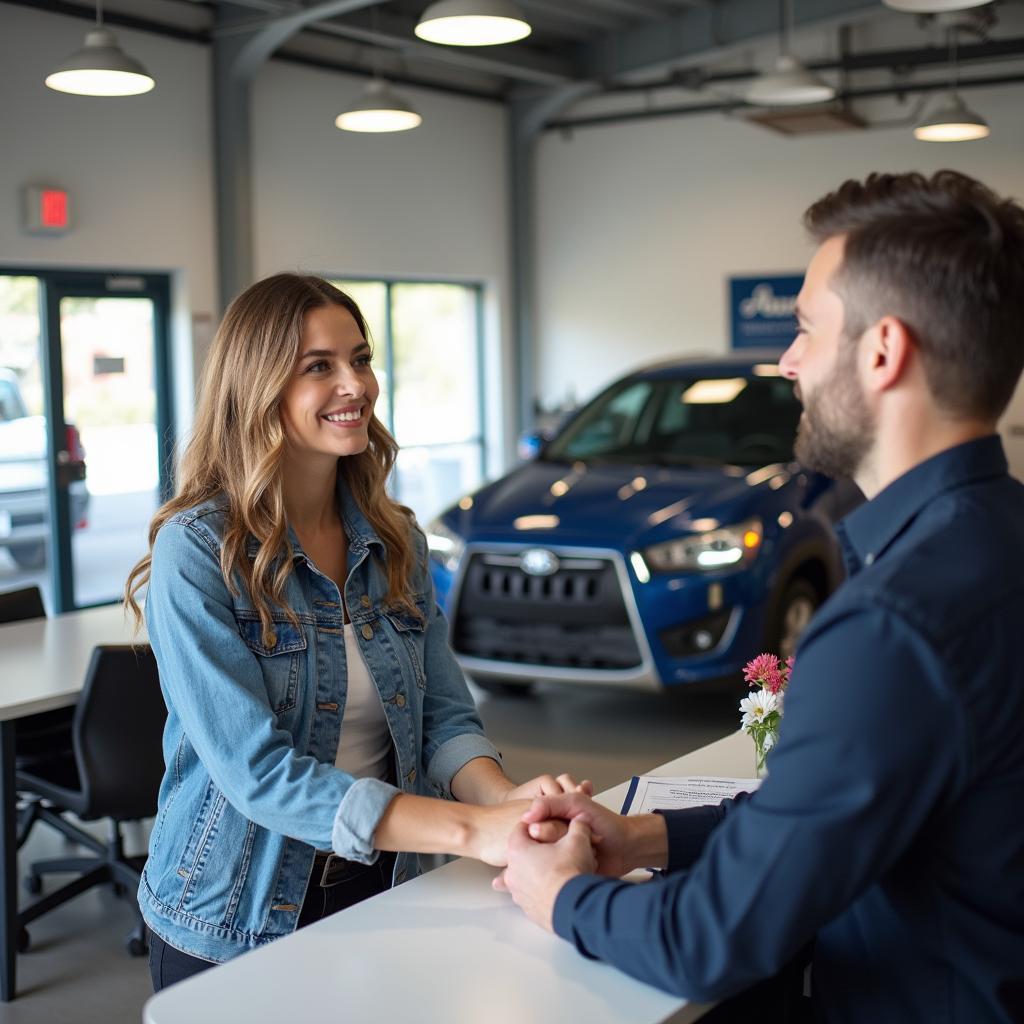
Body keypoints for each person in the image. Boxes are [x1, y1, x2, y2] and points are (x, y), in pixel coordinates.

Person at [494, 170, 1024, 1024]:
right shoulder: (996, 540)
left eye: (808, 329)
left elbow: (714, 936)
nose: (788, 361)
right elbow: (844, 809)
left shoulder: (891, 626)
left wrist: (559, 897)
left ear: (883, 351)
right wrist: (645, 837)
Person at [124, 273, 588, 991]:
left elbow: (442, 717)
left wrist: (505, 799)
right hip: (230, 919)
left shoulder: (395, 538)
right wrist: (471, 831)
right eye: (320, 366)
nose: (357, 385)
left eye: (361, 359)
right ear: (258, 388)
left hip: (385, 886)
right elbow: (256, 773)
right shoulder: (199, 551)